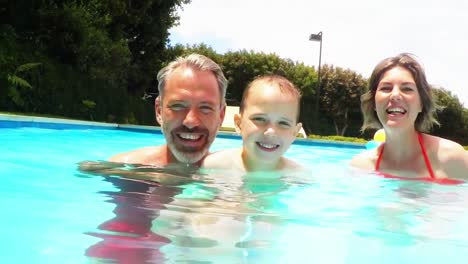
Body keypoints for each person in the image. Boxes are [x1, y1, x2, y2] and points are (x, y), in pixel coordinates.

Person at [351, 53, 468, 181]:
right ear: (373, 102)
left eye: (407, 89)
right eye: (386, 88)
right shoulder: (361, 167)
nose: (395, 95)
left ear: (422, 104)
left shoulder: (452, 159)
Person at [109, 53, 228, 167]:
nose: (190, 121)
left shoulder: (234, 177)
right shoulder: (122, 168)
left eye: (205, 108)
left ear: (221, 116)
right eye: (178, 106)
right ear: (159, 111)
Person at [202, 75, 303, 172]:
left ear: (294, 133)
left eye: (283, 123)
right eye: (260, 119)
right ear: (239, 124)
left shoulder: (298, 175)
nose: (271, 131)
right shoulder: (213, 167)